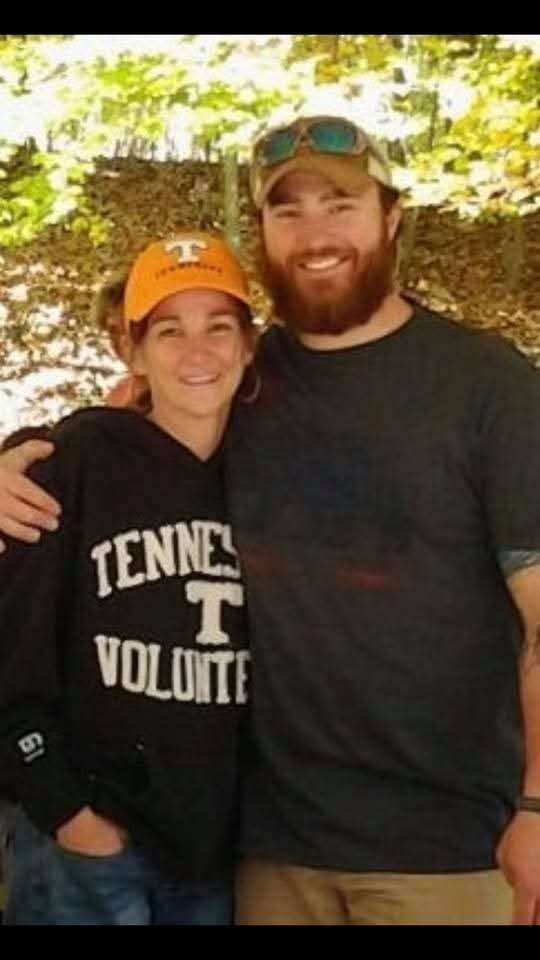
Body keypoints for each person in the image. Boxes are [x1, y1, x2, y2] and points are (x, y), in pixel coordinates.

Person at [2, 116, 540, 925]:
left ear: (392, 216)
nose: (315, 235)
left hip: (443, 846)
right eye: (288, 212)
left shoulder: (486, 384)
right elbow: (122, 438)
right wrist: (13, 462)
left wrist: (537, 805)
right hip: (269, 851)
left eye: (341, 205)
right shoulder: (248, 382)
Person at [0, 231, 255, 925]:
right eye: (169, 331)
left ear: (248, 345)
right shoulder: (72, 462)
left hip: (214, 852)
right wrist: (67, 813)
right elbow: (13, 647)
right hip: (86, 846)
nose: (197, 352)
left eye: (218, 327)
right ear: (133, 351)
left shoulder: (269, 472)